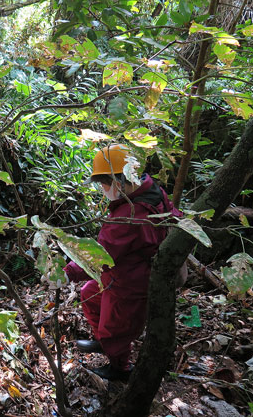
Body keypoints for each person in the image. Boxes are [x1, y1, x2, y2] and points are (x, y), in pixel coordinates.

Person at [64, 144, 181, 381]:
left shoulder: (129, 216)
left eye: (105, 183)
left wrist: (67, 272)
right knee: (89, 294)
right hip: (123, 274)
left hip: (129, 284)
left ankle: (120, 368)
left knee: (115, 330)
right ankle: (101, 342)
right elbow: (175, 215)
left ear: (121, 180)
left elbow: (99, 257)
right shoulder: (150, 190)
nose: (103, 189)